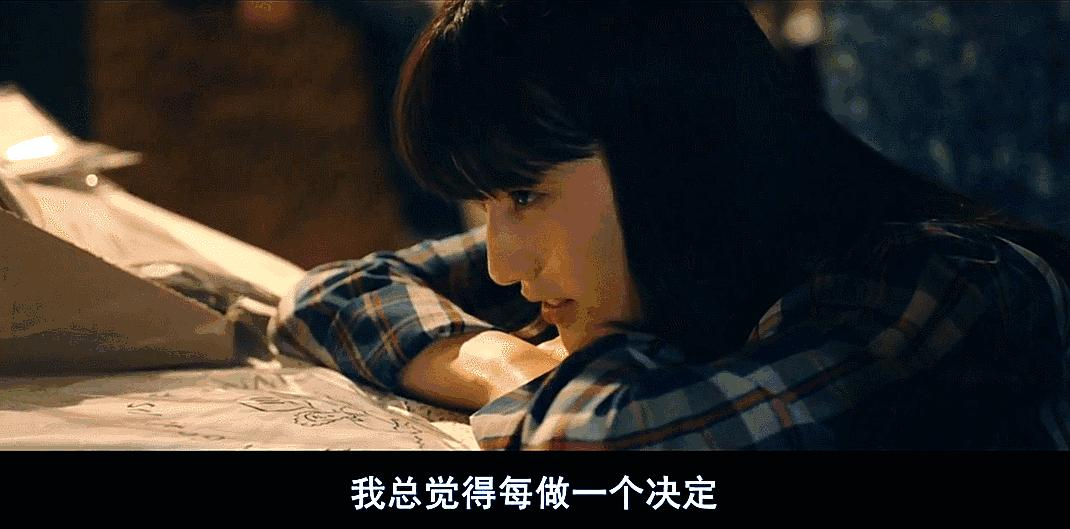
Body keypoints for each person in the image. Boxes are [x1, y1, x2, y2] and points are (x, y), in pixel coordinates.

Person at [269, 1, 1070, 449]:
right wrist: (501, 361)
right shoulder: (657, 253)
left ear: (668, 151)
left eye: (525, 195)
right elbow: (331, 294)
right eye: (488, 206)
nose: (506, 263)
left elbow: (600, 441)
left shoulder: (940, 285)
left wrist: (545, 383)